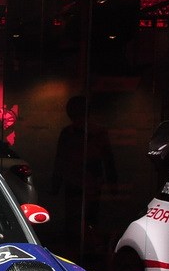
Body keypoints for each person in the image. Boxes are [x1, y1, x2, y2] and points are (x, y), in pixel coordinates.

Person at [50, 95, 118, 262]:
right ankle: (80, 255)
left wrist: (55, 186)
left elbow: (107, 160)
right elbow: (61, 160)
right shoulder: (74, 133)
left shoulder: (93, 133)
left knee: (85, 221)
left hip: (87, 184)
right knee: (79, 222)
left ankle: (84, 254)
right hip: (81, 184)